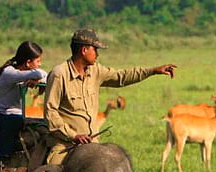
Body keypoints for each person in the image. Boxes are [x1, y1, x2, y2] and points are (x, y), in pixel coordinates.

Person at [43, 28, 176, 164]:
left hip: (92, 144)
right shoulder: (59, 74)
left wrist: (152, 71)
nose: (97, 54)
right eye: (95, 50)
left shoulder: (95, 70)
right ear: (84, 50)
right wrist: (74, 135)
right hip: (66, 145)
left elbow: (121, 76)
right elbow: (51, 113)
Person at [0, 41, 47, 172]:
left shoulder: (23, 74)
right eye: (38, 61)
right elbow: (40, 72)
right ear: (27, 63)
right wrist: (37, 77)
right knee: (14, 121)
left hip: (17, 116)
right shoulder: (10, 73)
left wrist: (37, 80)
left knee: (44, 124)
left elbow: (46, 76)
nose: (40, 64)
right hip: (1, 116)